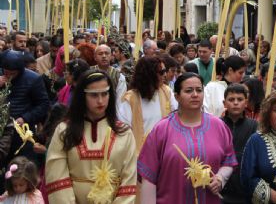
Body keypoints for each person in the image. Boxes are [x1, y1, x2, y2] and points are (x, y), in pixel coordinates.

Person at [138, 73, 237, 203]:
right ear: (177, 96)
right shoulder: (161, 129)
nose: (195, 94)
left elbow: (229, 161)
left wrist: (220, 178)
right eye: (189, 91)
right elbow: (148, 177)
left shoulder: (219, 126)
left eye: (199, 90)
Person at [45, 70, 137, 202]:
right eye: (93, 95)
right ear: (82, 97)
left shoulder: (124, 132)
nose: (100, 101)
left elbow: (129, 180)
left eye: (105, 94)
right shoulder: (64, 131)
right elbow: (56, 176)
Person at [118, 55, 178, 154]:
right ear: (149, 74)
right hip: (139, 156)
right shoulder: (130, 99)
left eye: (165, 71)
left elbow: (175, 119)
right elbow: (124, 132)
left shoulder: (167, 91)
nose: (165, 75)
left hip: (164, 152)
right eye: (161, 72)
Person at [0, 51, 50, 157]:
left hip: (21, 133)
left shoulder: (33, 79)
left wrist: (25, 118)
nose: (8, 75)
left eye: (12, 73)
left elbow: (43, 104)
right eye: (6, 72)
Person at [220, 84, 257, 204]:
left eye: (240, 99)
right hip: (220, 185)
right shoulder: (217, 125)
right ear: (224, 103)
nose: (235, 103)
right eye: (231, 100)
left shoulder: (254, 126)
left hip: (244, 186)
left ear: (246, 103)